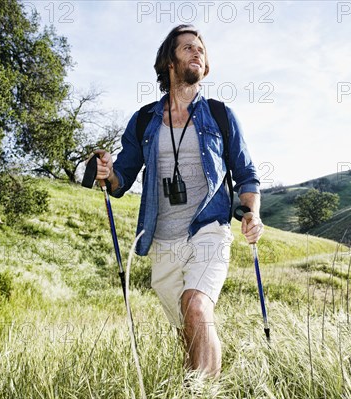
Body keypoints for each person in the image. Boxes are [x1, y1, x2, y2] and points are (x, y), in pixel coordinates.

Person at [93, 25, 263, 377]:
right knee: (187, 330)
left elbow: (246, 174)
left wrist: (252, 213)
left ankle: (207, 391)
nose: (197, 53)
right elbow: (120, 179)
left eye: (200, 49)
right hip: (161, 240)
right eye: (187, 48)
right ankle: (193, 386)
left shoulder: (220, 116)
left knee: (197, 308)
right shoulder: (143, 122)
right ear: (169, 61)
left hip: (208, 230)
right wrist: (106, 171)